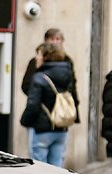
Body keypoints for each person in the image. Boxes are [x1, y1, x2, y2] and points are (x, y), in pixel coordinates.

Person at [21, 28, 80, 157]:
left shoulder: (67, 63)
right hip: (55, 120)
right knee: (56, 164)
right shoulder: (62, 66)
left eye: (58, 39)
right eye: (52, 39)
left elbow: (72, 90)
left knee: (39, 165)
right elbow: (26, 86)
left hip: (48, 119)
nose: (55, 42)